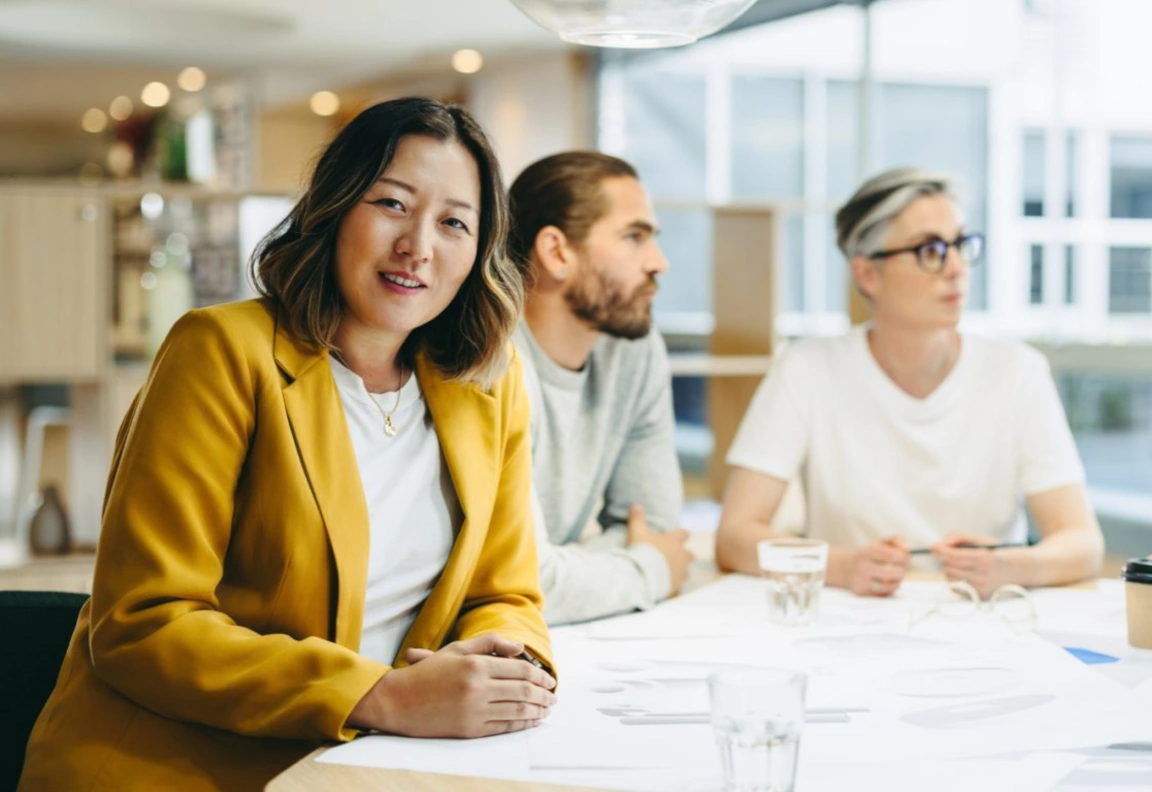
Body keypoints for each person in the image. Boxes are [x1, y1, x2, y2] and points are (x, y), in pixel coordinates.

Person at [19, 98, 556, 792]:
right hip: (173, 768)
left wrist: (513, 669)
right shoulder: (220, 352)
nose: (419, 246)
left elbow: (505, 590)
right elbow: (144, 623)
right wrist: (382, 696)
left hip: (355, 765)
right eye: (391, 204)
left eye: (454, 223)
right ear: (333, 210)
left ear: (479, 250)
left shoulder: (488, 381)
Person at [716, 167, 1104, 599]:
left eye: (960, 244)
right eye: (930, 250)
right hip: (851, 619)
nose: (956, 268)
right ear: (867, 274)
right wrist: (842, 565)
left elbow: (1083, 544)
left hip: (980, 619)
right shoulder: (806, 368)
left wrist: (1008, 566)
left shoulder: (1018, 371)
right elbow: (734, 537)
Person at [507, 151, 693, 626]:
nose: (660, 263)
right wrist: (648, 568)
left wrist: (581, 571)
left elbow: (654, 526)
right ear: (556, 252)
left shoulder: (634, 347)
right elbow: (519, 583)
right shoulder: (491, 362)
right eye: (635, 237)